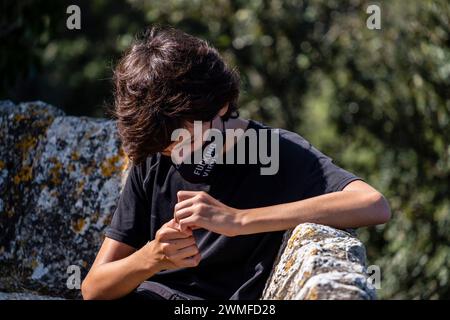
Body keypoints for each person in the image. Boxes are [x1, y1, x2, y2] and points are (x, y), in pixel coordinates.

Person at [81, 26, 391, 300]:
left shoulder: (273, 151)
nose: (172, 153)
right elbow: (93, 289)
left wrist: (239, 221)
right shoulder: (154, 155)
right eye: (164, 148)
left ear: (220, 105)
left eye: (180, 139)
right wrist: (151, 257)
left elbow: (372, 204)